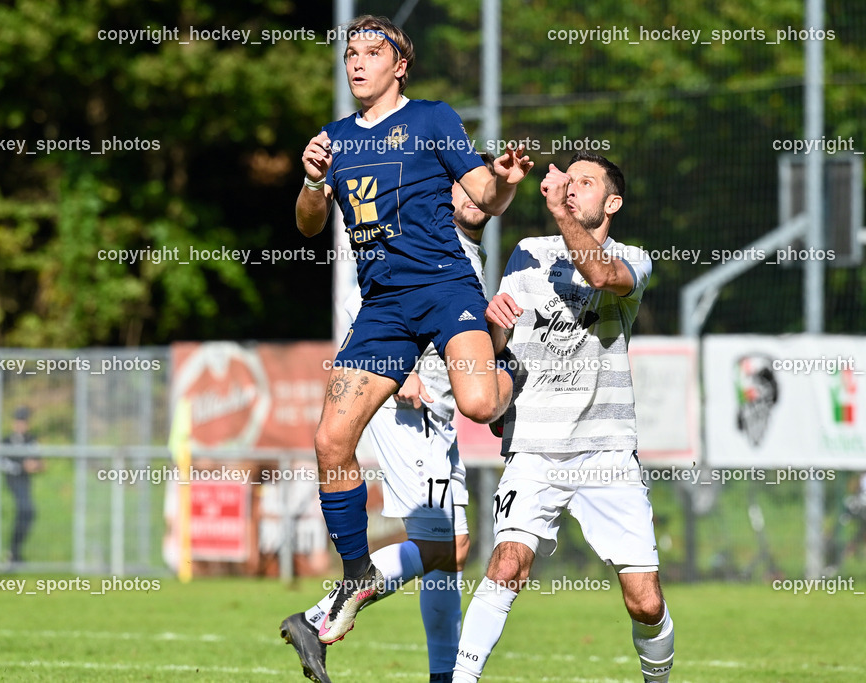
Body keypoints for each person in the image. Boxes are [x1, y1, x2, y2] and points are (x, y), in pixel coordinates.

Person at [296, 14, 532, 644]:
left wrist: (505, 180)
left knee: (479, 405)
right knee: (330, 441)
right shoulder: (334, 140)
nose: (357, 62)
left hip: (445, 288)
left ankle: (511, 376)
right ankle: (354, 578)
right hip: (383, 307)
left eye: (372, 52)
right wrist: (313, 181)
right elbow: (309, 225)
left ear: (399, 66)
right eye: (350, 53)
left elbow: (484, 195)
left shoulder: (432, 118)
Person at [452, 153, 674, 683]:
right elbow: (499, 346)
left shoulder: (633, 259)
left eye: (585, 183)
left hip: (607, 452)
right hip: (534, 446)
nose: (571, 189)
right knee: (507, 565)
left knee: (645, 603)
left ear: (612, 203)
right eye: (567, 181)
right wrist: (495, 324)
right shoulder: (528, 252)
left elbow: (598, 272)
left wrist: (558, 212)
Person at [282, 155, 497, 683]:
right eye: (464, 185)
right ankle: (320, 614)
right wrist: (401, 371)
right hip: (407, 410)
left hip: (439, 416)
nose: (473, 195)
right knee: (449, 546)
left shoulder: (470, 253)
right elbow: (365, 301)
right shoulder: (424, 237)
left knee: (450, 555)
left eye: (484, 187)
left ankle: (443, 675)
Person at [0, 406, 41, 563]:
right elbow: (1, 462)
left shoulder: (31, 440)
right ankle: (12, 552)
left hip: (25, 481)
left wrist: (36, 466)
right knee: (24, 509)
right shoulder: (6, 441)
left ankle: (14, 551)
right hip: (13, 480)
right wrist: (20, 467)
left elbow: (39, 461)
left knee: (27, 513)